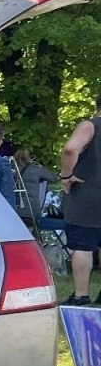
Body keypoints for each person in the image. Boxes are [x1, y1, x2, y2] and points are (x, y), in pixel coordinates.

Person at [62, 102, 101, 305]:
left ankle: (81, 295)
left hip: (89, 195)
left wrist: (66, 175)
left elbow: (70, 149)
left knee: (83, 246)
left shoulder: (91, 125)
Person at [13, 147, 58, 228]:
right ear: (30, 157)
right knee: (29, 232)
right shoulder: (37, 169)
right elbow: (54, 178)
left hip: (13, 206)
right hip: (31, 208)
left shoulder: (11, 168)